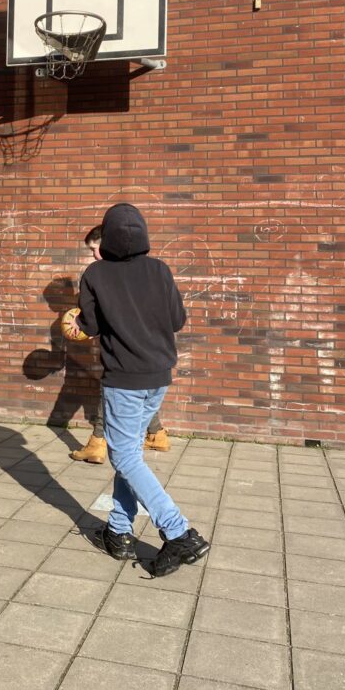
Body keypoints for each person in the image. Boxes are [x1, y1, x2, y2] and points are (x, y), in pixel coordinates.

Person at [67, 203, 210, 576]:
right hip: (158, 377)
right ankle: (118, 531)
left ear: (108, 237)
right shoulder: (159, 269)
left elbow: (91, 325)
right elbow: (177, 319)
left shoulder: (95, 274)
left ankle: (179, 532)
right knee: (129, 452)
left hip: (125, 380)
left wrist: (79, 321)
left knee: (126, 457)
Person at [70, 225, 171, 464]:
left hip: (124, 353)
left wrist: (82, 324)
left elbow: (94, 322)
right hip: (154, 354)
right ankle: (156, 434)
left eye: (94, 248)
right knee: (138, 390)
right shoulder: (150, 270)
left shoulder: (101, 274)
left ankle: (98, 442)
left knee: (114, 392)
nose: (94, 255)